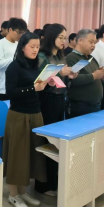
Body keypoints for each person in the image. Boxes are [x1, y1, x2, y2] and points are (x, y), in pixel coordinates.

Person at [3, 32, 49, 207]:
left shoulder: (36, 65)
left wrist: (46, 85)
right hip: (19, 115)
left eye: (37, 47)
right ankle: (13, 194)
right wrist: (32, 88)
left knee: (30, 154)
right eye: (32, 46)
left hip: (35, 113)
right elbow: (10, 92)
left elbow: (37, 89)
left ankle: (23, 191)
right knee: (17, 155)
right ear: (22, 47)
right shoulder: (14, 67)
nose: (35, 50)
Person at [36, 24, 77, 195]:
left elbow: (61, 80)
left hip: (60, 99)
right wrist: (61, 73)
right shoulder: (42, 55)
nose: (63, 41)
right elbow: (42, 78)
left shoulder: (60, 55)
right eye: (60, 37)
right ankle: (43, 184)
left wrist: (70, 75)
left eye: (65, 38)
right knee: (47, 141)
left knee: (57, 142)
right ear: (51, 37)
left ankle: (54, 181)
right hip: (47, 100)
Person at [65, 29, 104, 118]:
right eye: (91, 42)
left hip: (95, 105)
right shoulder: (71, 58)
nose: (93, 45)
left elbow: (97, 77)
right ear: (80, 41)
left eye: (94, 43)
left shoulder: (91, 58)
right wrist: (94, 76)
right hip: (80, 106)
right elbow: (73, 80)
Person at [0, 18, 27, 101]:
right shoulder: (0, 45)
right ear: (10, 30)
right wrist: (14, 59)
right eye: (19, 32)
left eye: (23, 33)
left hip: (16, 86)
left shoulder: (18, 45)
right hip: (2, 88)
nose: (21, 35)